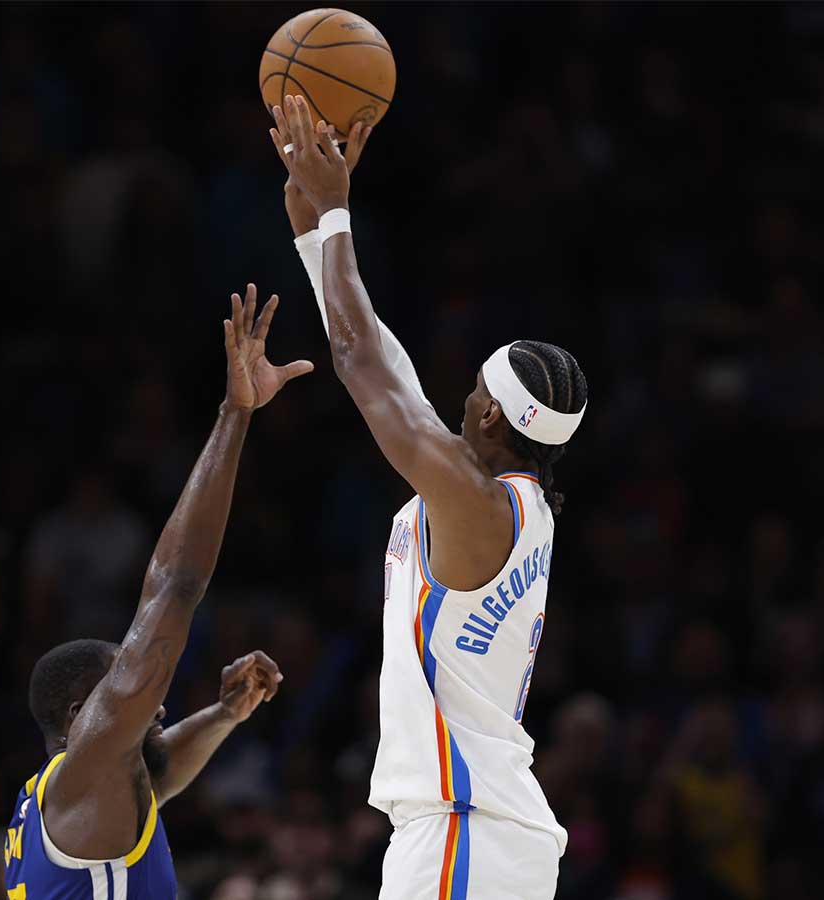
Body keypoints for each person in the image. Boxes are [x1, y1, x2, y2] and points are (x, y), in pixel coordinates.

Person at [271, 95, 588, 899]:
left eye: (472, 384)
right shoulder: (497, 500)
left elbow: (359, 363)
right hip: (474, 833)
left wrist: (339, 217)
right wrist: (314, 232)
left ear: (487, 412)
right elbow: (378, 353)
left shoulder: (481, 507)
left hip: (464, 829)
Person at [4, 285, 308, 898]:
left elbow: (160, 775)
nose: (156, 701)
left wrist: (225, 714)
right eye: (123, 684)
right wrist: (235, 414)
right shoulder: (82, 778)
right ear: (79, 719)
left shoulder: (53, 800)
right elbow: (175, 586)